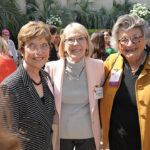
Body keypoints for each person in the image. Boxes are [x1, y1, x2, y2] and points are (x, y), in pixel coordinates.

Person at [45, 22, 105, 150]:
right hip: (60, 136)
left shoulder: (99, 66)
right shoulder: (51, 68)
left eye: (80, 38)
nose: (76, 44)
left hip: (89, 134)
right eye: (70, 40)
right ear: (63, 45)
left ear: (87, 43)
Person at [0, 21, 55, 150]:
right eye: (32, 46)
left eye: (43, 45)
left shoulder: (46, 77)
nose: (39, 52)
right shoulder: (9, 87)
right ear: (21, 50)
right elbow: (6, 138)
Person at [100, 14, 150, 150]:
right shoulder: (111, 63)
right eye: (124, 39)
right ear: (117, 42)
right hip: (116, 143)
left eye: (135, 38)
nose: (130, 44)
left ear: (145, 38)